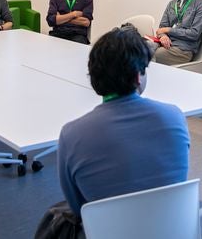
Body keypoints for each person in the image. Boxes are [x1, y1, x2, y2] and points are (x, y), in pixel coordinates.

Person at [56, 27, 190, 218]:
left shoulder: (71, 134)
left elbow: (78, 209)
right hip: (170, 228)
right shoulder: (175, 117)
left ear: (94, 78)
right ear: (138, 76)